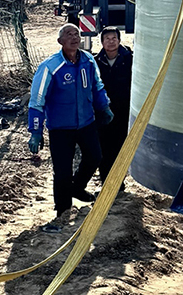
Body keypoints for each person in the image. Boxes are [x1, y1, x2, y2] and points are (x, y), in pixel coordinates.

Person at [28, 23, 114, 231]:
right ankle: (62, 212)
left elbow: (97, 87)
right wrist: (36, 132)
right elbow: (37, 101)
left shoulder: (88, 60)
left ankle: (77, 187)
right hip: (60, 128)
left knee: (95, 157)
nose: (74, 37)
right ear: (60, 41)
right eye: (69, 34)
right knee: (62, 172)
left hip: (86, 123)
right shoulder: (50, 67)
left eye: (77, 34)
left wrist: (104, 107)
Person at [94, 26, 133, 189]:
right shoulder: (96, 62)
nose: (111, 42)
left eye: (114, 38)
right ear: (102, 42)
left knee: (121, 146)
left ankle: (119, 182)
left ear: (119, 40)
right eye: (107, 39)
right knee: (103, 146)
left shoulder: (129, 59)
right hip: (103, 112)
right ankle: (105, 182)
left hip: (124, 111)